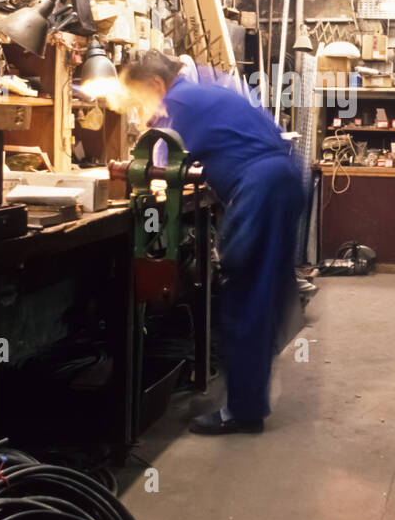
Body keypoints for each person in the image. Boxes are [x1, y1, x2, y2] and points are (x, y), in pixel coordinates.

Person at [121, 51, 306, 436]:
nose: (144, 107)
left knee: (243, 295)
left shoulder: (177, 102)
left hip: (260, 189)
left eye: (141, 98)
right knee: (259, 293)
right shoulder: (206, 88)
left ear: (156, 85)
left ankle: (242, 411)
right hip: (281, 179)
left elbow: (159, 167)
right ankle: (249, 397)